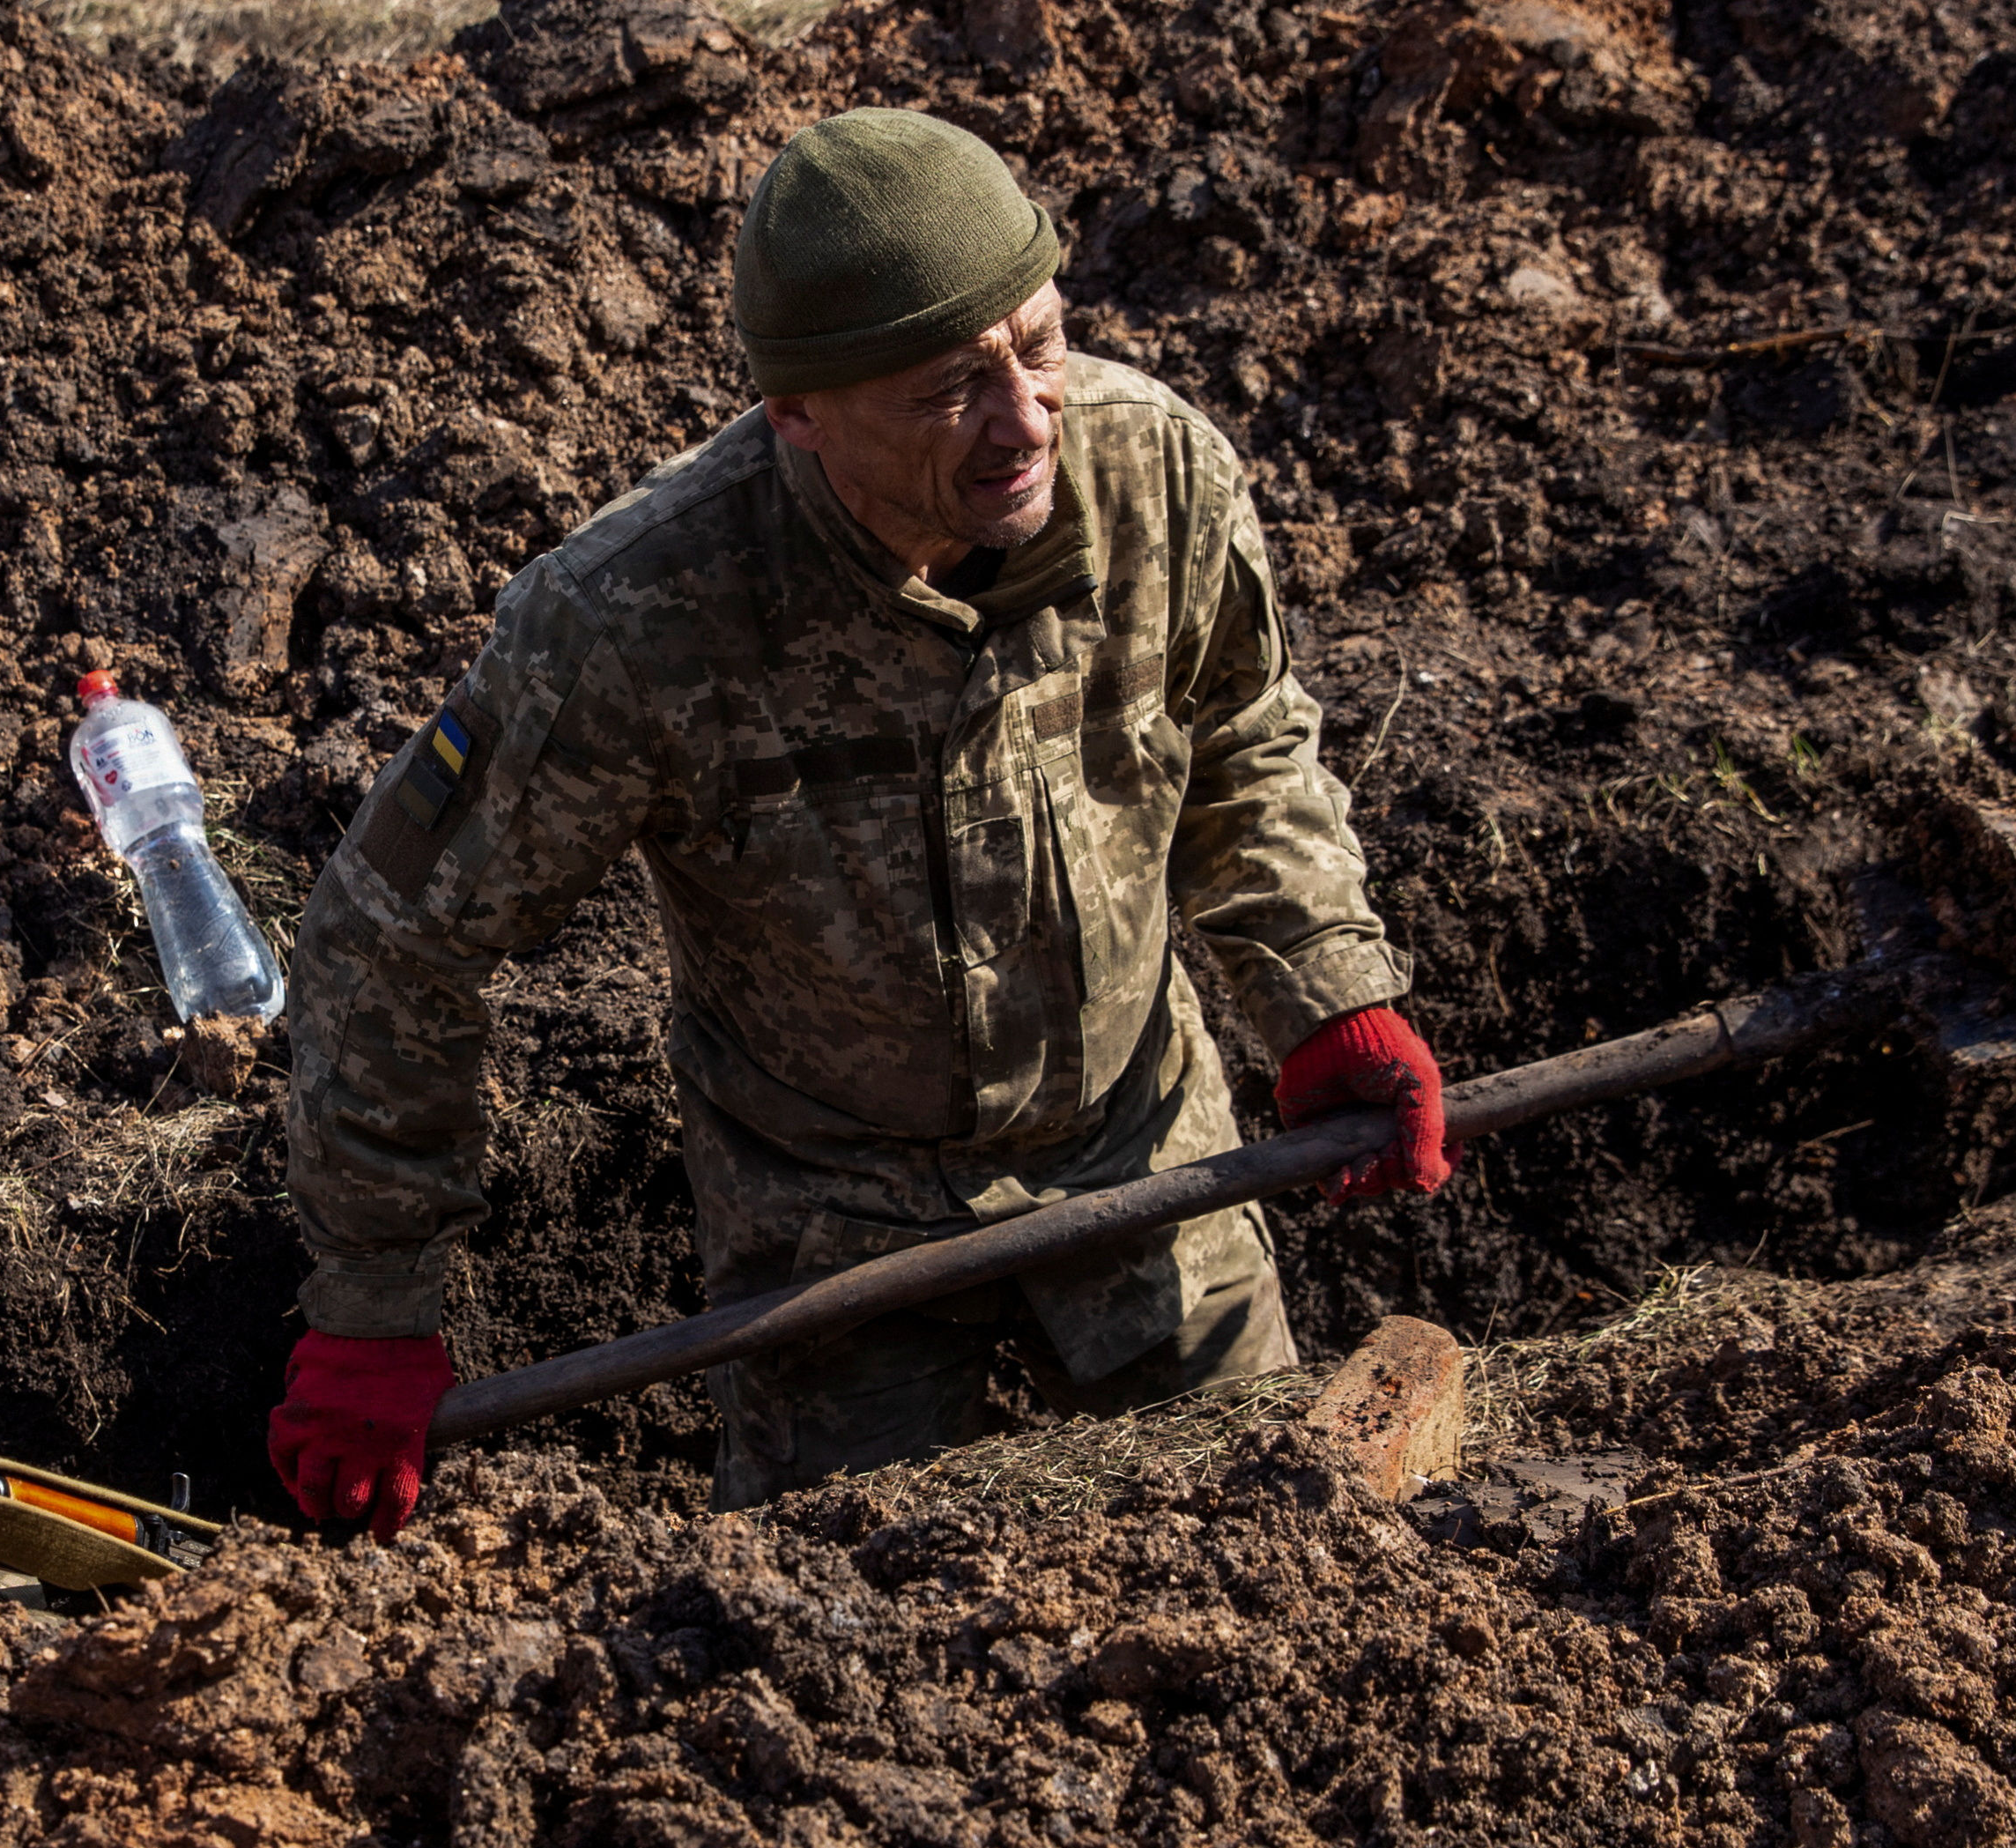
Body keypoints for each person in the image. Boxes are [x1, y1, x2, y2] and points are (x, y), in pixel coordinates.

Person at [267, 108, 1455, 1540]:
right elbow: (392, 943)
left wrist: (1324, 991)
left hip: (1144, 1156)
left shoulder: (1156, 477)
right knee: (836, 1634)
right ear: (798, 411)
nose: (1023, 422)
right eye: (948, 388)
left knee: (1267, 1551)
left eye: (1038, 344)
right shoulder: (636, 619)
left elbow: (1243, 739)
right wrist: (376, 1306)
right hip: (833, 1224)